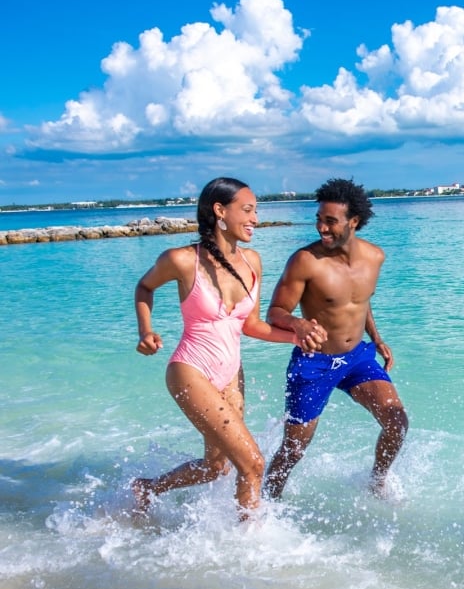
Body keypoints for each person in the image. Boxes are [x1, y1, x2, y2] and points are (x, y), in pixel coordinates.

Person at [132, 177, 325, 519]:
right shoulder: (181, 260)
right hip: (191, 370)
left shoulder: (252, 261)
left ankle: (147, 488)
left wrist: (297, 336)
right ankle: (249, 546)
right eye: (248, 210)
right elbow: (145, 287)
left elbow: (250, 325)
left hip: (231, 374)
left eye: (256, 211)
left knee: (216, 467)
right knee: (253, 462)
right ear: (220, 211)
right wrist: (146, 331)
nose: (255, 219)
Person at [263, 178, 408, 499]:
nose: (321, 228)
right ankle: (263, 507)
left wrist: (377, 337)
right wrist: (296, 323)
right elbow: (275, 311)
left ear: (353, 221)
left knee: (397, 422)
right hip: (313, 363)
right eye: (319, 220)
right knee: (293, 449)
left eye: (330, 221)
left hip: (357, 357)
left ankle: (376, 481)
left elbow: (359, 300)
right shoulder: (306, 261)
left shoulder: (375, 257)